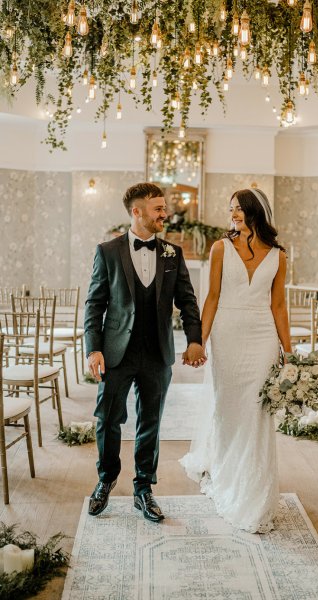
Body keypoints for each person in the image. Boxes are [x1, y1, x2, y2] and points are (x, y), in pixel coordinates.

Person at [85, 182, 206, 521]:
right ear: (136, 212)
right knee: (107, 419)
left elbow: (187, 300)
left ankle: (144, 489)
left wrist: (194, 339)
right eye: (157, 209)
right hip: (115, 352)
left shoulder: (172, 252)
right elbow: (94, 304)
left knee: (150, 423)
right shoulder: (107, 251)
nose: (164, 214)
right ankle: (106, 480)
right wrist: (93, 349)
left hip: (157, 354)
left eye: (163, 208)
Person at [180, 188, 292, 533]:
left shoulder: (278, 255)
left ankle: (254, 492)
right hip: (227, 337)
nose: (233, 214)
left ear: (255, 211)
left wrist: (290, 353)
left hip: (262, 339)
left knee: (256, 412)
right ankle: (227, 475)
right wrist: (199, 341)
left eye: (239, 208)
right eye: (231, 209)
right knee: (228, 409)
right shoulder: (219, 248)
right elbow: (211, 298)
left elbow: (278, 306)